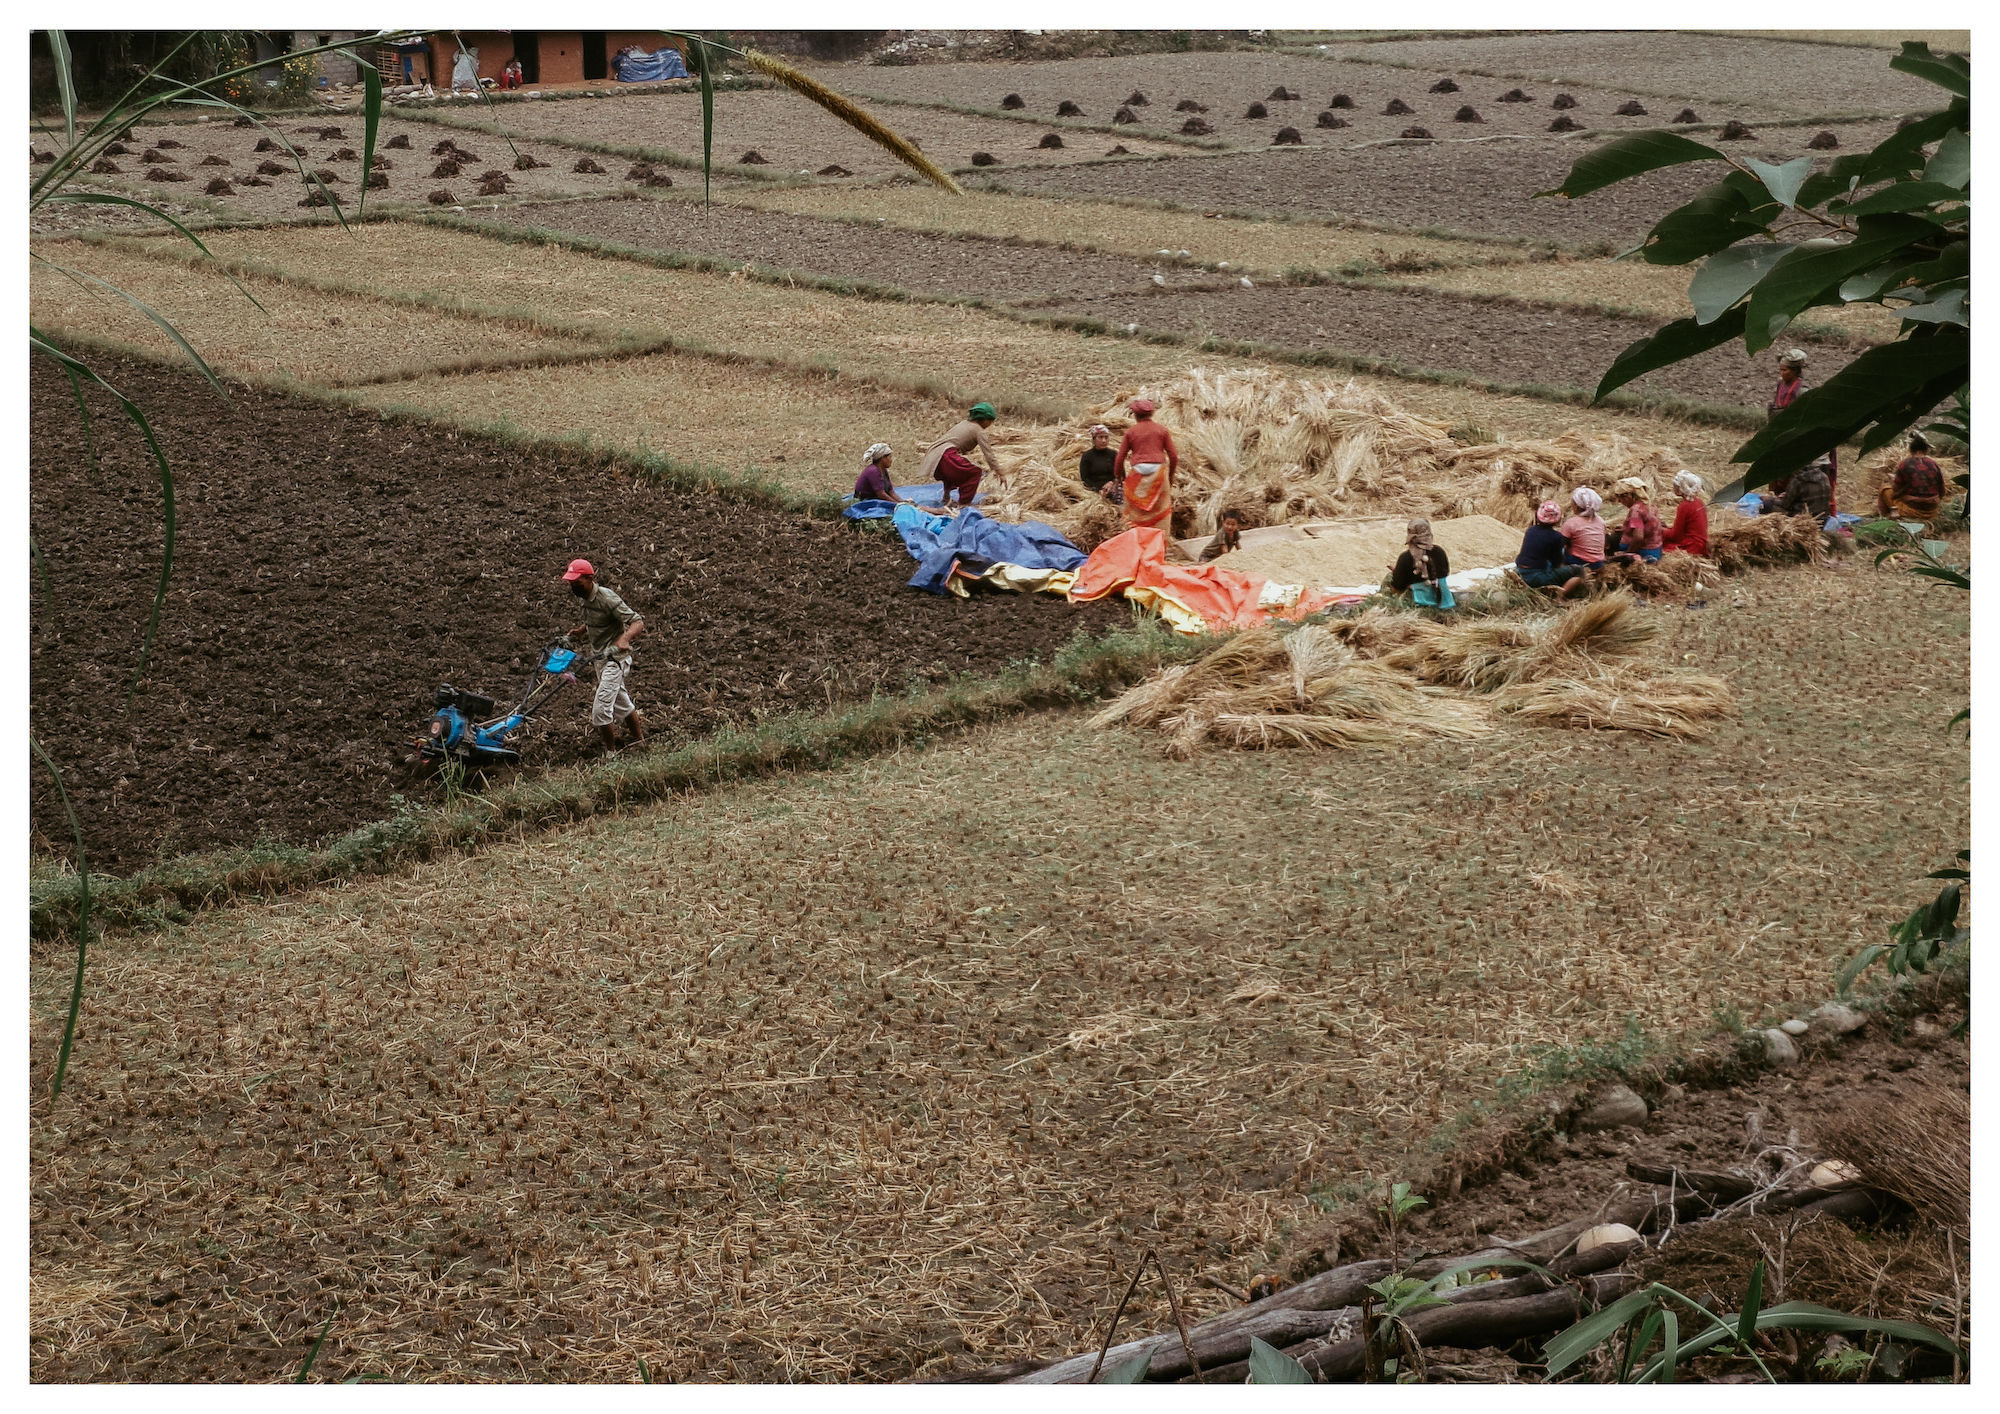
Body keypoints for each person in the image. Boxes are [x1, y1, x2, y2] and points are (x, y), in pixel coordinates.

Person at [562, 558, 647, 752]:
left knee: (600, 711)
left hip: (615, 660)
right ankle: (640, 743)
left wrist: (624, 639)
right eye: (571, 582)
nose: (574, 586)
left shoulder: (607, 598)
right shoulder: (583, 596)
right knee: (622, 703)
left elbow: (637, 621)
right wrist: (581, 631)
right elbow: (595, 619)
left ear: (590, 578)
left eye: (577, 582)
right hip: (599, 659)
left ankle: (611, 755)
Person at [919, 402, 1003, 507]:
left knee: (955, 471)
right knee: (974, 472)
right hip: (946, 454)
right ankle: (963, 503)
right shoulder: (978, 430)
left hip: (936, 453)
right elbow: (989, 454)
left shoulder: (964, 424)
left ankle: (946, 496)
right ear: (984, 419)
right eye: (990, 422)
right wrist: (1000, 473)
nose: (989, 425)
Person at [1116, 397, 1179, 531]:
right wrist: (1171, 475)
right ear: (1152, 413)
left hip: (1137, 473)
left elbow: (1120, 457)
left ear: (1136, 415)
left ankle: (1136, 540)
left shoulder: (1131, 432)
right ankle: (1160, 542)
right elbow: (1173, 455)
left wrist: (1118, 477)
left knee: (1133, 513)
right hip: (1159, 474)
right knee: (1162, 510)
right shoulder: (1161, 430)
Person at [1515, 500, 1587, 596]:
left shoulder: (1530, 530)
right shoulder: (1556, 536)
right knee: (1579, 571)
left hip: (1520, 571)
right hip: (1536, 578)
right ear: (1557, 519)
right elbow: (1556, 563)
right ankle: (1560, 597)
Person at [1877, 434, 1947, 521]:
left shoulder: (1904, 464)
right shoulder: (1934, 464)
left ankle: (1885, 518)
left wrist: (1893, 480)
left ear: (1910, 449)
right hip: (1932, 511)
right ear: (1926, 450)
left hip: (1911, 510)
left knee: (1884, 489)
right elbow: (1942, 491)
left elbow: (1896, 489)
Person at [1389, 517, 1452, 605]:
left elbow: (1398, 586)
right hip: (1444, 602)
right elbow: (1445, 573)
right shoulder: (1439, 551)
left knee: (1387, 581)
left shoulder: (1405, 557)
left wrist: (1396, 573)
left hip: (1418, 604)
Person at [1608, 477, 1664, 563]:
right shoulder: (1651, 506)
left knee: (1611, 539)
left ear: (1628, 496)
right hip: (1656, 549)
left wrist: (1629, 552)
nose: (1620, 501)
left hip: (1644, 550)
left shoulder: (1636, 510)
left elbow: (1638, 537)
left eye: (1620, 497)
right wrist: (1626, 529)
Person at [1661, 471, 1709, 558]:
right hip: (1701, 544)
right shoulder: (1699, 502)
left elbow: (1675, 535)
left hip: (1692, 546)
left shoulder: (1684, 506)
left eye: (1675, 486)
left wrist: (1660, 530)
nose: (1673, 488)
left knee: (1662, 545)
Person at [853, 442, 917, 506]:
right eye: (889, 457)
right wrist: (897, 505)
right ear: (883, 458)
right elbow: (881, 494)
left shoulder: (883, 471)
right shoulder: (873, 471)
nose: (891, 460)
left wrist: (902, 503)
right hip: (866, 501)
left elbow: (890, 491)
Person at [1560, 487, 1607, 567]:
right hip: (1598, 563)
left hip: (1578, 562)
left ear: (1577, 506)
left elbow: (1560, 543)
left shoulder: (1571, 523)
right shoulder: (1601, 521)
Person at [1778, 458, 1833, 525]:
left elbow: (1785, 505)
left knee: (1767, 506)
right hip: (1822, 521)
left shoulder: (1799, 480)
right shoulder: (1824, 477)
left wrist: (1771, 499)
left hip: (1803, 522)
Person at [1078, 424, 1121, 503]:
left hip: (1113, 487)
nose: (1104, 440)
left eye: (1106, 437)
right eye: (1100, 437)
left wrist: (1112, 483)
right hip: (1093, 489)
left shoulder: (1114, 454)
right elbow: (1085, 479)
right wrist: (1098, 490)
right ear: (1094, 439)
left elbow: (1121, 475)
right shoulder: (1087, 456)